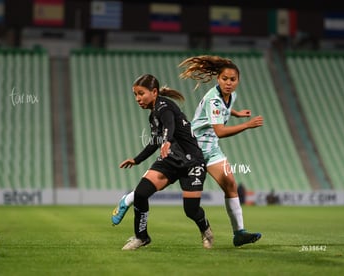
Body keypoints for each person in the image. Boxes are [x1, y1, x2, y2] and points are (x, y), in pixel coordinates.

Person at [113, 56, 263, 247]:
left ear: (238, 81)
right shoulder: (212, 100)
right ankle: (130, 200)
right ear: (218, 79)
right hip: (195, 147)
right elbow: (219, 130)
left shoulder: (231, 96)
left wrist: (236, 113)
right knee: (151, 190)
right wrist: (248, 124)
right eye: (225, 79)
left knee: (229, 184)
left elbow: (222, 109)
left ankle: (239, 233)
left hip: (210, 148)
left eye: (232, 80)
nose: (228, 83)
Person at [116, 74, 213, 251]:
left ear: (154, 92)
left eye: (141, 93)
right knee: (141, 194)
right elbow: (155, 142)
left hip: (192, 161)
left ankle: (206, 229)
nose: (138, 99)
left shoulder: (164, 106)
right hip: (171, 159)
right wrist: (136, 159)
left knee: (191, 210)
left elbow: (170, 124)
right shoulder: (153, 115)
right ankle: (141, 237)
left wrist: (167, 140)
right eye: (135, 95)